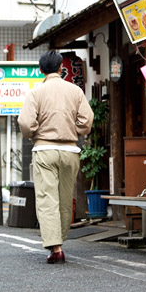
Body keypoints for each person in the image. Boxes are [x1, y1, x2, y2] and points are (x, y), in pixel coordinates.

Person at [19, 50, 93, 264]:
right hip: (70, 150)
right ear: (61, 68)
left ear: (41, 70)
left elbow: (25, 123)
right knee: (64, 198)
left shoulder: (36, 92)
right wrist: (75, 129)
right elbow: (87, 120)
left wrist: (34, 132)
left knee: (46, 198)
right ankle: (60, 240)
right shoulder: (75, 91)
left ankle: (56, 247)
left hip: (44, 150)